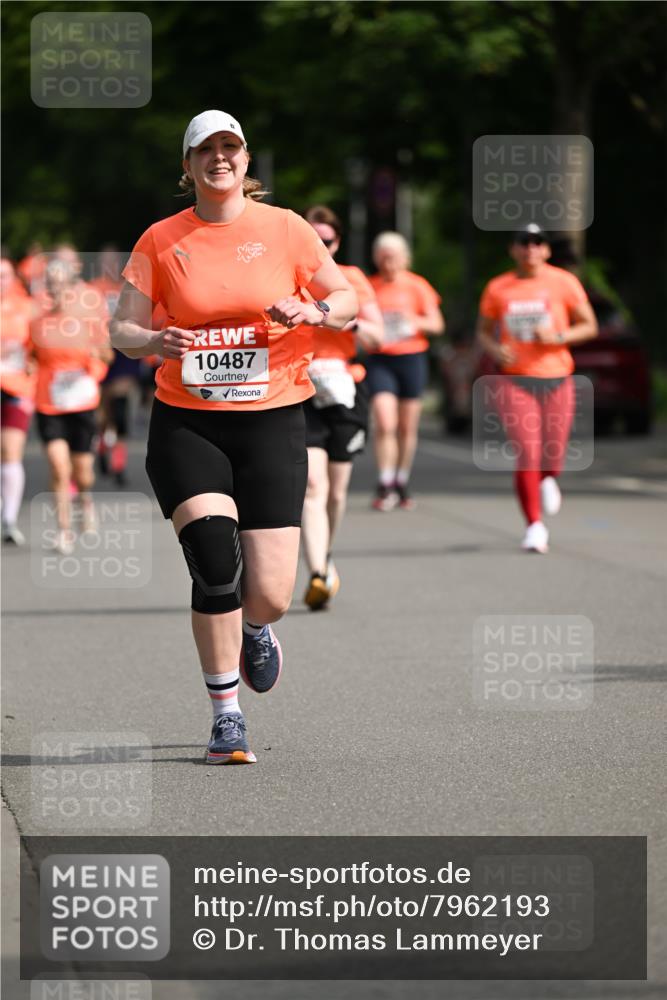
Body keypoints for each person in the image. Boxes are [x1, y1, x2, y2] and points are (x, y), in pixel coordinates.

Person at [110, 110, 357, 765]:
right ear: (187, 165)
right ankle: (225, 716)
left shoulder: (285, 229)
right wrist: (154, 339)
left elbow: (347, 297)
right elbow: (120, 331)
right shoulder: (161, 240)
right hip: (189, 423)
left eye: (231, 147)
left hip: (274, 420)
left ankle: (255, 629)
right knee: (214, 562)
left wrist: (315, 310)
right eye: (206, 150)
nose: (220, 158)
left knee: (272, 593)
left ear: (246, 161)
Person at [476, 223, 598, 553]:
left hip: (557, 376)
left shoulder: (564, 282)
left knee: (553, 451)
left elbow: (589, 325)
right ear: (513, 250)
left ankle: (548, 477)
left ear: (545, 249)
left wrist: (558, 337)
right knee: (528, 451)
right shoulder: (498, 287)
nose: (530, 249)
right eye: (523, 243)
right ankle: (534, 525)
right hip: (515, 379)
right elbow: (484, 332)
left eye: (537, 243)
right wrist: (495, 348)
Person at [299, 205, 384, 610]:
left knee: (337, 492)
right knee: (313, 487)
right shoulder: (291, 275)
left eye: (327, 241)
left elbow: (378, 337)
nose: (322, 247)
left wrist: (346, 322)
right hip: (299, 389)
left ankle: (326, 555)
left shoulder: (352, 280)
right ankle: (316, 573)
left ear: (338, 242)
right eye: (314, 241)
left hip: (345, 390)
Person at [30, 251, 111, 554]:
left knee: (83, 473)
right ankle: (64, 531)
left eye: (60, 283)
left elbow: (107, 354)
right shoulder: (36, 321)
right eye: (50, 284)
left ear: (72, 285)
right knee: (58, 467)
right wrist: (28, 367)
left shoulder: (87, 318)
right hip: (49, 403)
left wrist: (94, 359)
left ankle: (85, 500)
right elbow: (27, 355)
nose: (55, 290)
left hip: (82, 403)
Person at [366, 232, 444, 511]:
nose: (389, 263)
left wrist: (416, 321)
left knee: (406, 427)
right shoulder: (369, 286)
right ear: (376, 259)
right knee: (385, 423)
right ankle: (385, 481)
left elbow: (437, 324)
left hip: (411, 358)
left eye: (394, 257)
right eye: (384, 258)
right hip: (380, 360)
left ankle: (401, 479)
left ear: (404, 259)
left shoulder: (417, 286)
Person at [90, 246, 138, 485]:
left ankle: (118, 465)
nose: (109, 267)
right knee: (102, 410)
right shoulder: (92, 290)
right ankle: (101, 445)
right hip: (98, 352)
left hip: (122, 354)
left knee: (119, 409)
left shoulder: (127, 288)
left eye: (113, 262)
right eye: (104, 262)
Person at [1, 258, 37, 544]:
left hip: (16, 387)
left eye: (4, 276)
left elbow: (41, 347)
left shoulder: (27, 309)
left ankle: (9, 519)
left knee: (11, 450)